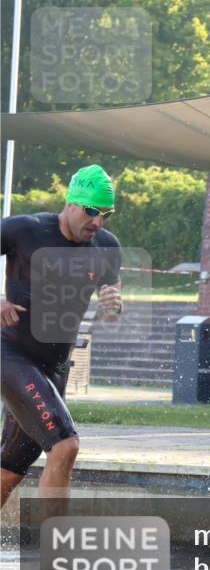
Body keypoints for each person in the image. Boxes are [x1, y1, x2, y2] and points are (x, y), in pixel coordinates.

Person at [1, 164, 123, 508]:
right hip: (10, 355)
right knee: (65, 444)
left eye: (106, 214)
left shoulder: (106, 247)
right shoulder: (25, 229)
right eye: (91, 211)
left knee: (9, 469)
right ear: (71, 203)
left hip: (54, 368)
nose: (97, 222)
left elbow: (109, 312)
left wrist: (112, 306)